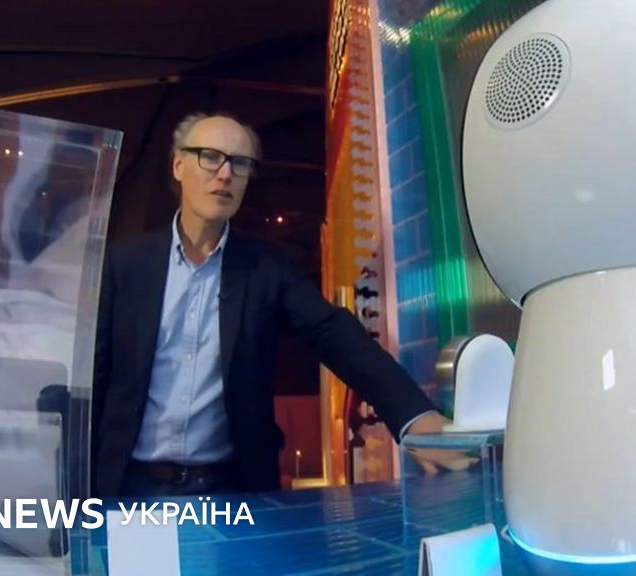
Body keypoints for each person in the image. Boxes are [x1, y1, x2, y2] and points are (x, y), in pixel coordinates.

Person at [92, 113, 455, 498]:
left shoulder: (267, 267)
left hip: (231, 489)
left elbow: (333, 332)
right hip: (131, 486)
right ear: (179, 165)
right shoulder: (124, 263)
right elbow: (93, 373)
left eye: (240, 163)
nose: (225, 174)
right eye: (210, 157)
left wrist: (412, 416)